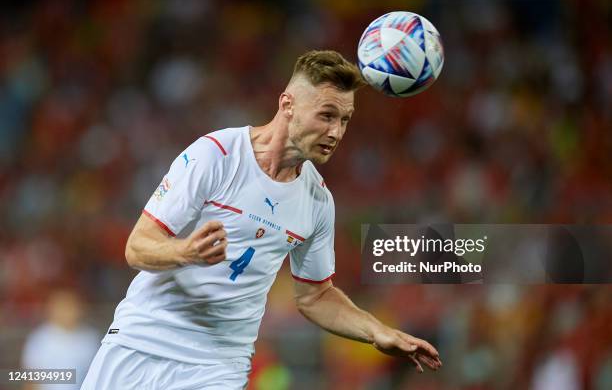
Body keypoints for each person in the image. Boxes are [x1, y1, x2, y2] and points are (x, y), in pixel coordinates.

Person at [82, 50, 442, 389]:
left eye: (345, 120)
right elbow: (137, 247)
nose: (336, 132)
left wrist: (377, 331)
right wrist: (186, 251)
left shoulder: (317, 200)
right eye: (327, 115)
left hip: (217, 366)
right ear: (287, 104)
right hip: (141, 342)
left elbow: (315, 296)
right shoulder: (217, 156)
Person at [22, 289, 100, 390]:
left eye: (70, 307)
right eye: (62, 307)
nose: (67, 312)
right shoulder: (39, 339)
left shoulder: (91, 339)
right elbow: (31, 379)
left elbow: (98, 375)